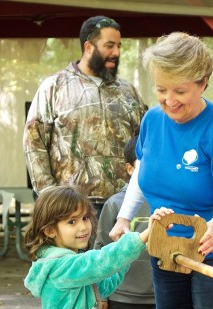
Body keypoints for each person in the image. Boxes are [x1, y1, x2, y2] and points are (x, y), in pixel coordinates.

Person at [109, 32, 213, 309]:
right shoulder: (152, 120)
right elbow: (141, 173)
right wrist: (124, 217)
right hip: (167, 245)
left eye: (180, 91)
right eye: (161, 89)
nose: (169, 100)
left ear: (203, 83)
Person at [23, 16, 146, 217]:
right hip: (72, 207)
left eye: (118, 46)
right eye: (109, 45)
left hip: (123, 205)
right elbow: (33, 142)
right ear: (88, 47)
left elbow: (143, 142)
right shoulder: (55, 86)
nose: (116, 52)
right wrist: (50, 197)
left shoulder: (128, 92)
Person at [23, 185, 172, 309]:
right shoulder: (60, 267)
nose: (83, 227)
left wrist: (124, 259)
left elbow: (103, 287)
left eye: (85, 218)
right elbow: (100, 261)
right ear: (50, 230)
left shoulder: (74, 264)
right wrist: (143, 236)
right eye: (72, 221)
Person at [94, 136, 159, 309]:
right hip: (120, 296)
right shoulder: (115, 204)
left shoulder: (168, 203)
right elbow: (102, 249)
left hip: (161, 296)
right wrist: (102, 296)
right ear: (130, 169)